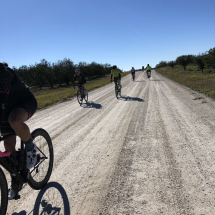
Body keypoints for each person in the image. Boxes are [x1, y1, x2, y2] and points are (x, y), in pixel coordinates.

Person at [0, 62, 38, 199]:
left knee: (14, 120)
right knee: (8, 147)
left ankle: (30, 147)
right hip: (6, 109)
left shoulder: (3, 73)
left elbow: (1, 100)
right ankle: (15, 180)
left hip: (25, 102)